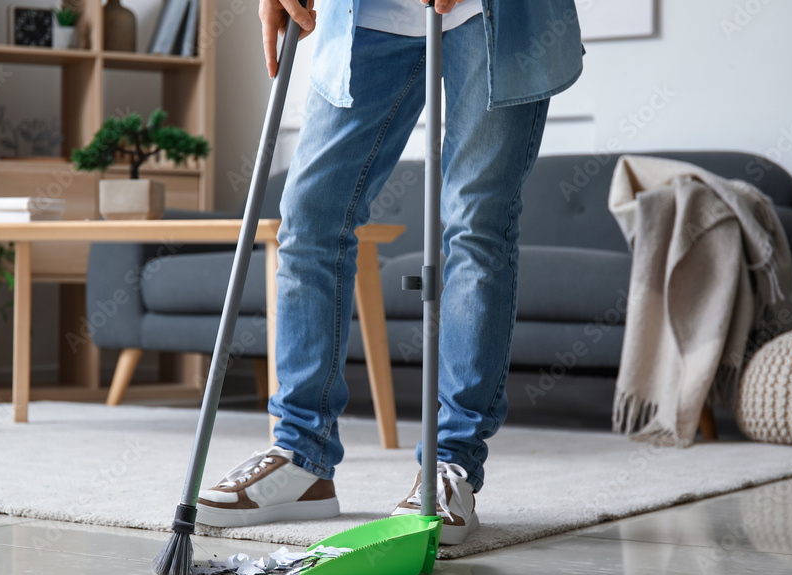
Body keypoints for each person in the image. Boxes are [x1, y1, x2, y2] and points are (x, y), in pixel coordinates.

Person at [196, 0, 584, 545]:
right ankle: (300, 457)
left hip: (496, 18)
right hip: (365, 14)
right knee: (309, 216)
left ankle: (451, 465)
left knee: (476, 221)